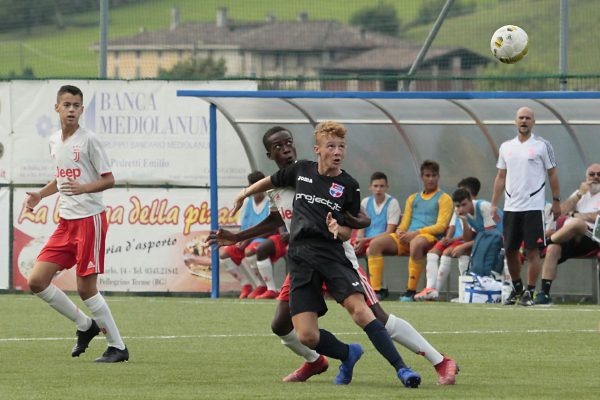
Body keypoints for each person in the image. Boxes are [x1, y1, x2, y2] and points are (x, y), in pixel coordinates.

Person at [208, 126, 458, 385]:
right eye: (278, 147)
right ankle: (317, 361)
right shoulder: (279, 185)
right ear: (269, 154)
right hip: (303, 260)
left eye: (289, 143)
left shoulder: (314, 173)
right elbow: (276, 219)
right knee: (281, 324)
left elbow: (357, 216)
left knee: (376, 317)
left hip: (335, 256)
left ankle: (440, 360)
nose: (286, 149)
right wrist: (239, 235)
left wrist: (347, 226)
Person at [24, 85, 128, 362]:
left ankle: (118, 346)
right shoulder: (54, 141)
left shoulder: (89, 140)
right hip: (66, 223)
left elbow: (109, 179)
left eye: (76, 105)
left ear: (82, 110)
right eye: (66, 104)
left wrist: (85, 189)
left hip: (90, 221)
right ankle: (85, 325)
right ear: (56, 108)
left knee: (85, 288)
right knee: (36, 281)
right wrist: (40, 195)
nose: (71, 109)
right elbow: (60, 179)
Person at [490, 106, 561, 307]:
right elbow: (500, 176)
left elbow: (553, 173)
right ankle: (517, 288)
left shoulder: (542, 146)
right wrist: (494, 204)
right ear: (515, 121)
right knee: (510, 250)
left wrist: (556, 200)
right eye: (521, 118)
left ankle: (530, 291)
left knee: (532, 251)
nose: (524, 121)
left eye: (528, 118)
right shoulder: (506, 147)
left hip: (533, 206)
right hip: (511, 207)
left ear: (533, 122)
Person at [366, 160, 453, 302]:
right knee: (375, 244)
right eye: (427, 175)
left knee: (416, 244)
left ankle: (410, 291)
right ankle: (377, 290)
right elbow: (405, 221)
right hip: (409, 237)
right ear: (422, 177)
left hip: (429, 238)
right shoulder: (413, 198)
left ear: (438, 177)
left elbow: (441, 226)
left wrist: (416, 233)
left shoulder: (444, 198)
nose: (430, 179)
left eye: (433, 176)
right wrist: (400, 231)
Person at [535, 163, 600, 305]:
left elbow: (597, 216)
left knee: (576, 223)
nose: (595, 177)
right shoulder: (581, 193)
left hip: (593, 238)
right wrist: (578, 194)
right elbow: (561, 212)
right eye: (592, 174)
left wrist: (576, 214)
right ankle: (544, 294)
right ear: (586, 177)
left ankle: (545, 243)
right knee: (553, 248)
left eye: (599, 175)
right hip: (569, 236)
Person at [415, 177, 481, 301]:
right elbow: (452, 225)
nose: (459, 195)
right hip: (455, 240)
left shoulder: (475, 208)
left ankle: (456, 292)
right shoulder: (458, 208)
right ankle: (430, 289)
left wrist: (453, 240)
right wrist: (447, 238)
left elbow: (472, 234)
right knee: (432, 252)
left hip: (466, 242)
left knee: (447, 253)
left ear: (471, 194)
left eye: (463, 192)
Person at [219, 171, 273, 299]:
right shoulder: (247, 203)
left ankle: (263, 286)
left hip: (262, 239)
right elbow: (243, 225)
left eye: (258, 186)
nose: (255, 190)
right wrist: (239, 239)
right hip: (247, 238)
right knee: (225, 254)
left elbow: (271, 228)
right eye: (252, 186)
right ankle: (246, 285)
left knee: (250, 250)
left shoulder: (269, 201)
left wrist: (246, 239)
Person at [352, 172, 401, 299]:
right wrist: (358, 240)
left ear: (387, 187)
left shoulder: (392, 203)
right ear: (370, 187)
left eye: (382, 186)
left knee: (372, 247)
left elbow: (389, 231)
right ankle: (349, 287)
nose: (378, 189)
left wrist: (364, 240)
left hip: (384, 239)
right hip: (365, 240)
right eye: (376, 186)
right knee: (344, 248)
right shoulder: (365, 202)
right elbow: (361, 227)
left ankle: (376, 289)